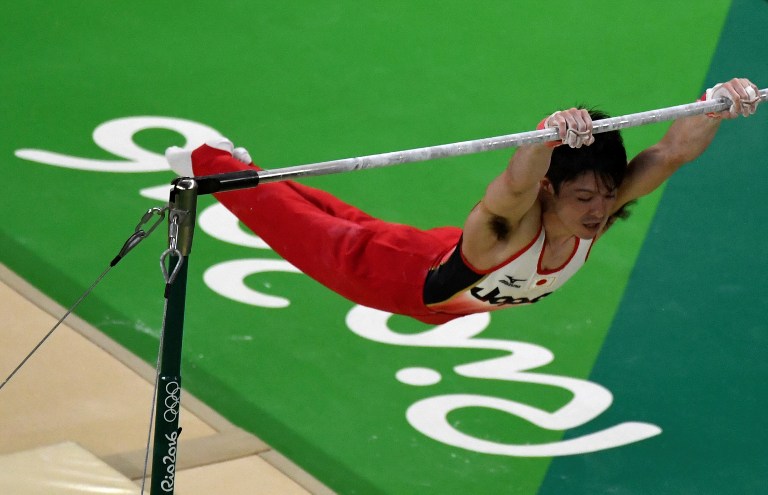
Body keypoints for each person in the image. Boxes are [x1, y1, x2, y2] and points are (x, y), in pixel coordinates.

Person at [166, 78, 761, 325]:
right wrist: (546, 133)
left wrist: (717, 103)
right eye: (583, 195)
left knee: (339, 216)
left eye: (605, 197)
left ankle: (244, 170)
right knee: (302, 225)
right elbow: (516, 182)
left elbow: (670, 153)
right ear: (552, 187)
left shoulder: (590, 213)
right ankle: (208, 164)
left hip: (443, 274)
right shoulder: (508, 224)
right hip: (393, 278)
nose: (598, 210)